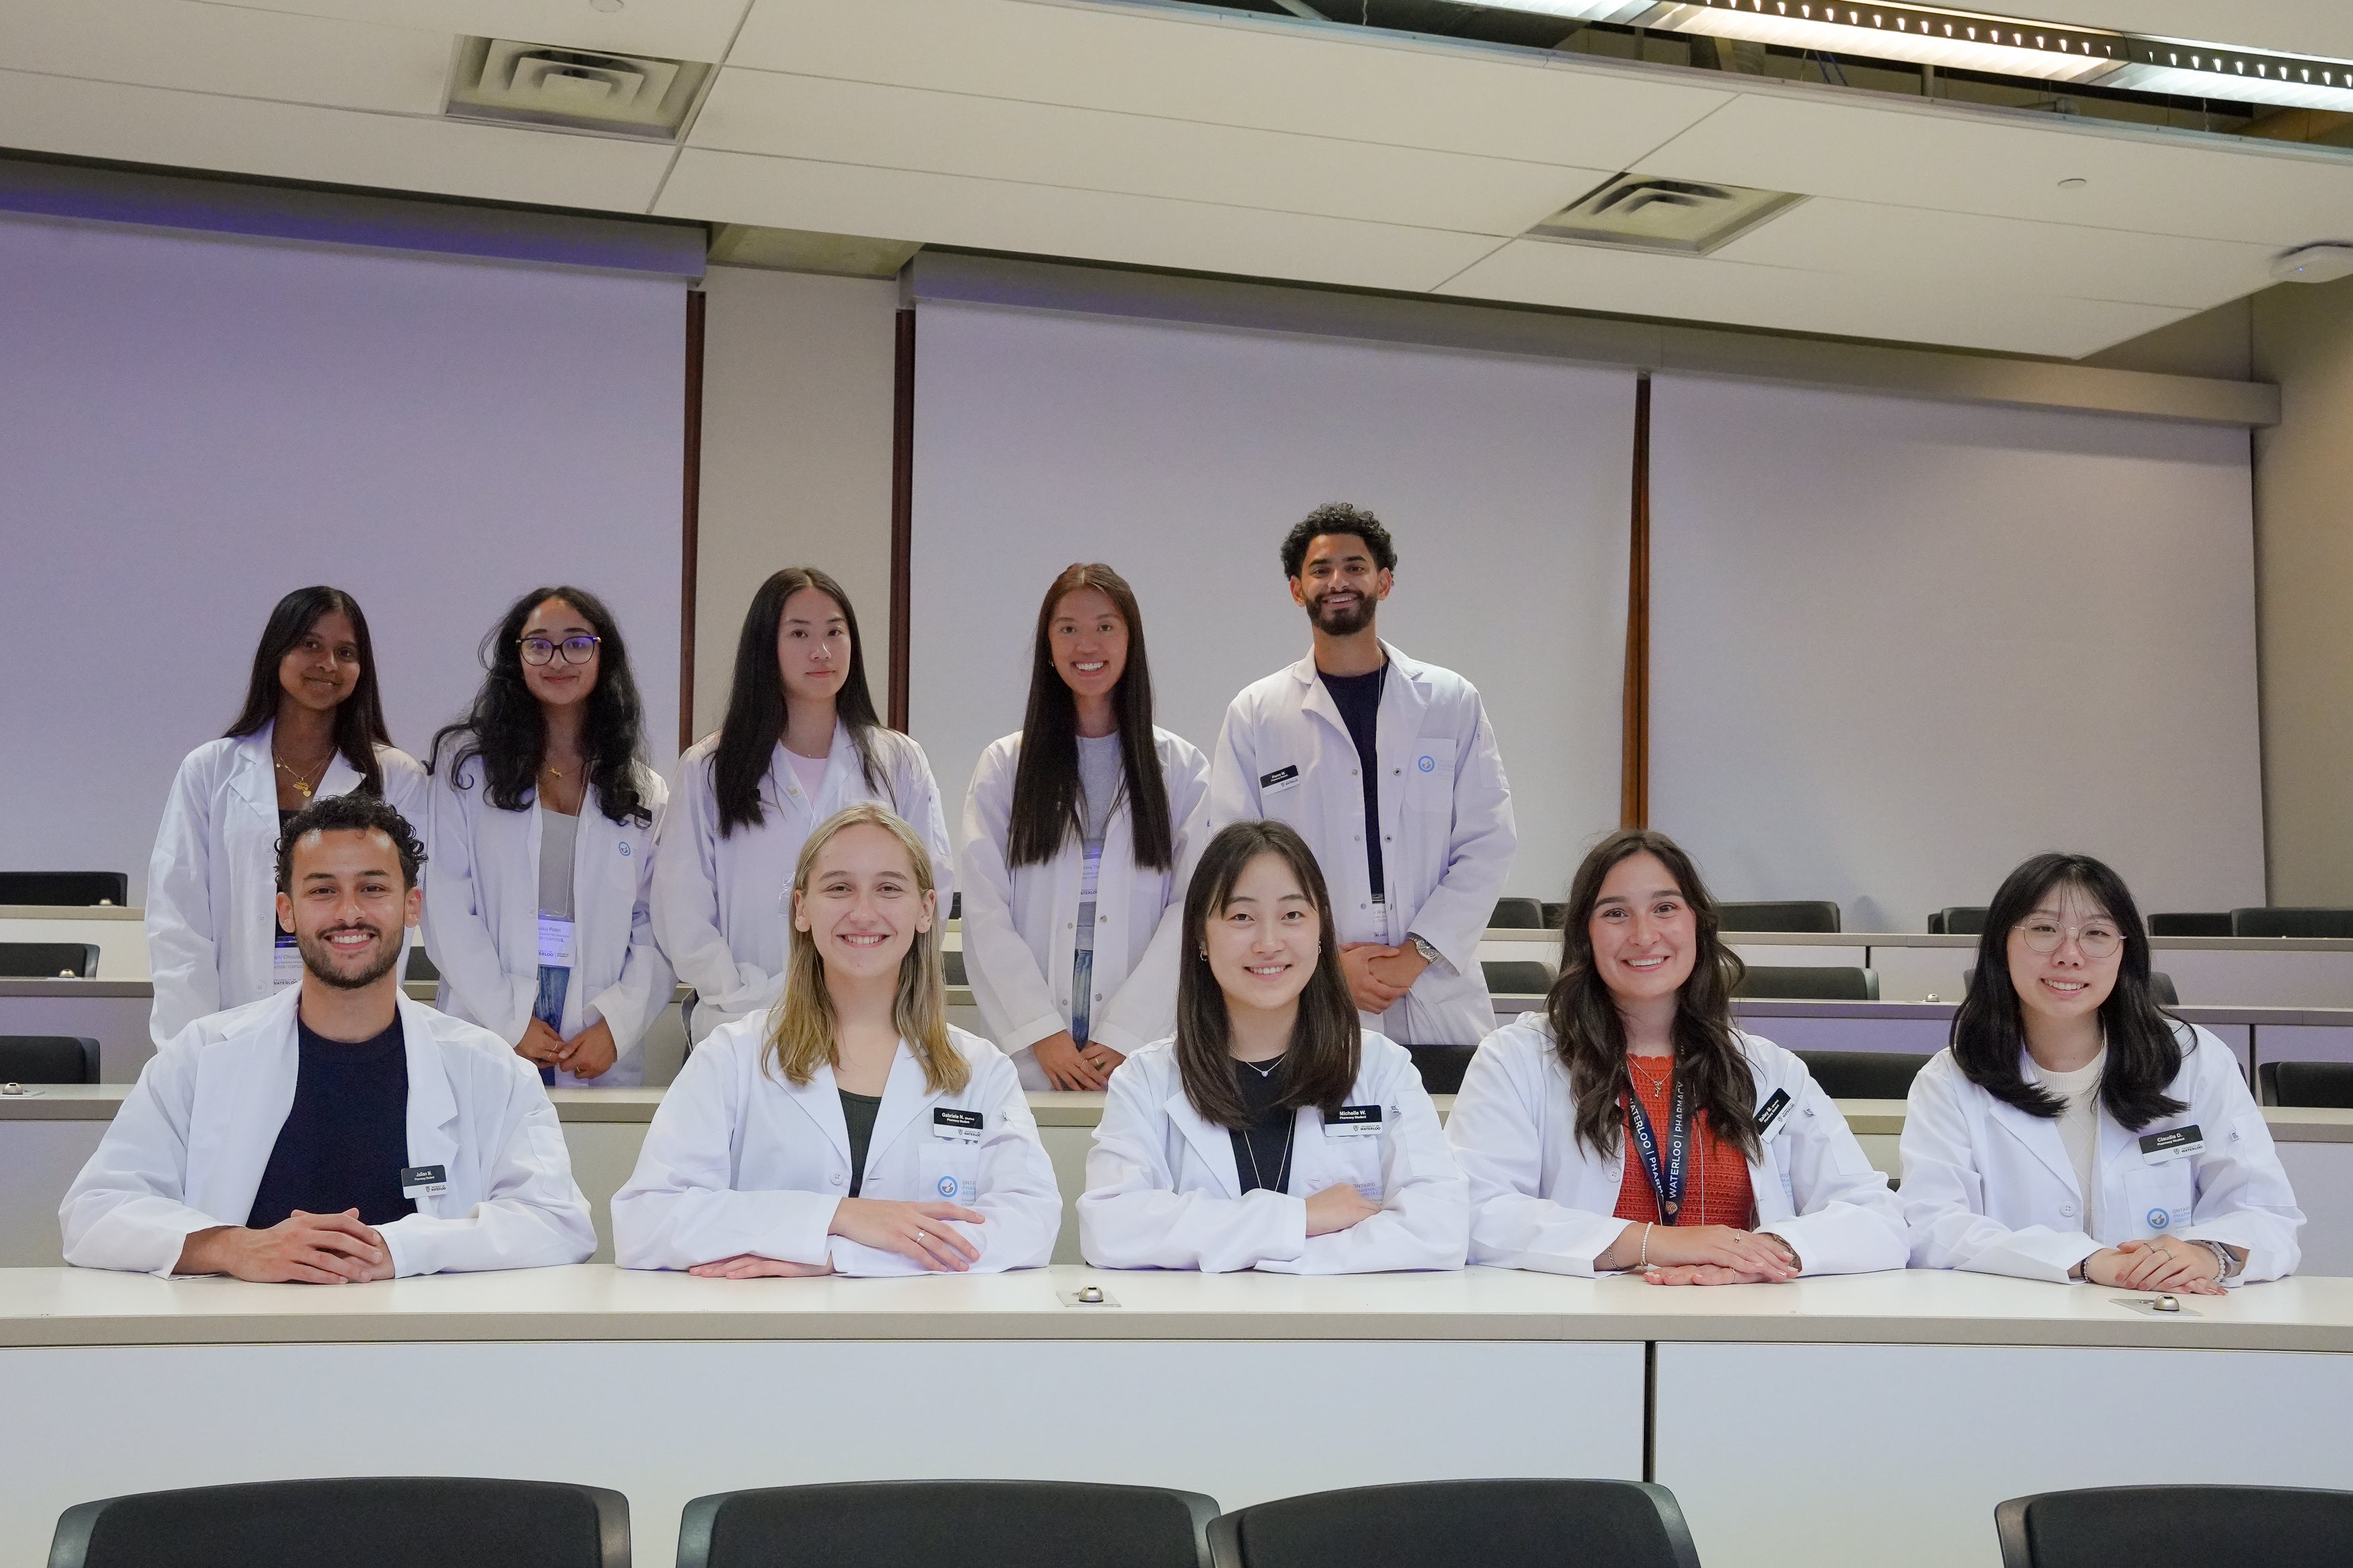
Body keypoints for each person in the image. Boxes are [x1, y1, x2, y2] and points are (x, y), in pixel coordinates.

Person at [63, 794, 594, 1280]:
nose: (349, 912)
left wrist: (401, 1249)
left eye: (372, 888)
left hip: (425, 1358)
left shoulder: (491, 1070)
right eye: (323, 890)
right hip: (239, 1353)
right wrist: (231, 1247)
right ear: (286, 911)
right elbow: (94, 1211)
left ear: (413, 907)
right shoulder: (202, 1057)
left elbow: (558, 1222)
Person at [614, 804, 1059, 1275]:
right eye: (839, 888)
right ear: (802, 909)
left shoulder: (981, 1071)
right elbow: (646, 1222)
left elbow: (1029, 1223)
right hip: (767, 1338)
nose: (863, 912)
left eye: (889, 888)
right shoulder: (731, 1058)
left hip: (924, 1341)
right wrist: (839, 1215)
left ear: (927, 909)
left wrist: (838, 1254)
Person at [1447, 829, 1906, 1284]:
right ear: (1585, 935)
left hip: (1740, 1323)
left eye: (1665, 907)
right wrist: (1654, 1243)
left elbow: (1877, 1217)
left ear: (1697, 924)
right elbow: (1474, 1210)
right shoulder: (1517, 1058)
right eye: (1616, 913)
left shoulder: (1769, 1071)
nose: (1644, 935)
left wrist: (1767, 1253)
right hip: (1581, 1332)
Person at [1078, 819, 1466, 1274]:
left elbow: (1440, 1227)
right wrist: (1300, 1218)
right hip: (1197, 1340)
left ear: (1322, 933)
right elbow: (1110, 1228)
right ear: (1202, 938)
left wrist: (1258, 1250)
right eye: (1241, 917)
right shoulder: (1146, 1080)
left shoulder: (1381, 1069)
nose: (1268, 942)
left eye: (1292, 915)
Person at [1902, 852, 2303, 1290]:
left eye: (2096, 933)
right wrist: (2086, 1260)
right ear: (2002, 943)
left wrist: (2208, 1254)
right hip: (2016, 1328)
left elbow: (2266, 1214)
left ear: (2125, 951)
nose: (2069, 955)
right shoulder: (1951, 1079)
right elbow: (1933, 1226)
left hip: (2176, 1323)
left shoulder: (2193, 1059)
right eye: (2044, 929)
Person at [1209, 503, 1515, 1048]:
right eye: (1321, 570)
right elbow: (1234, 861)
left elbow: (1488, 841)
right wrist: (1326, 966)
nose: (1338, 581)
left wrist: (1416, 954)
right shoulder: (1257, 713)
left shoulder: (1449, 702)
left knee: (1442, 1126)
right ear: (1297, 590)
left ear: (1385, 581)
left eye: (1355, 566)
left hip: (1434, 988)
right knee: (1322, 1125)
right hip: (1313, 991)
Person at [653, 568, 953, 1043]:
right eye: (799, 634)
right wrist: (744, 994)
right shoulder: (709, 767)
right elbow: (680, 911)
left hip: (870, 1025)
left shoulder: (899, 762)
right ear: (764, 647)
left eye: (835, 631)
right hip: (741, 1025)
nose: (821, 651)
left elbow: (930, 887)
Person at [959, 563, 1211, 1091]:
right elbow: (984, 911)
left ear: (1130, 640)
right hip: (1030, 1047)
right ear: (1048, 646)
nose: (1086, 644)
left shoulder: (1181, 769)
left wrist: (1127, 1032)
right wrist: (1040, 1031)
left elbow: (1192, 909)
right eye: (1068, 628)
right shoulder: (1006, 765)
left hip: (1139, 1041)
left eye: (1105, 626)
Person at [147, 586, 427, 1046]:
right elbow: (178, 919)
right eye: (310, 645)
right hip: (232, 1022)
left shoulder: (396, 777)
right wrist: (189, 1046)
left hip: (354, 1022)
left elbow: (398, 917)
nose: (328, 664)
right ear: (276, 653)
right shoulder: (210, 770)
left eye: (346, 652)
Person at [424, 586, 672, 1087]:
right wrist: (507, 1018)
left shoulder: (643, 790)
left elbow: (655, 926)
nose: (558, 659)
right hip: (487, 1015)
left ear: (605, 655)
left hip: (593, 1027)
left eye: (578, 643)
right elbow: (445, 903)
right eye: (539, 644)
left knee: (590, 1162)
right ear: (517, 657)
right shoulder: (468, 768)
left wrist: (617, 1026)